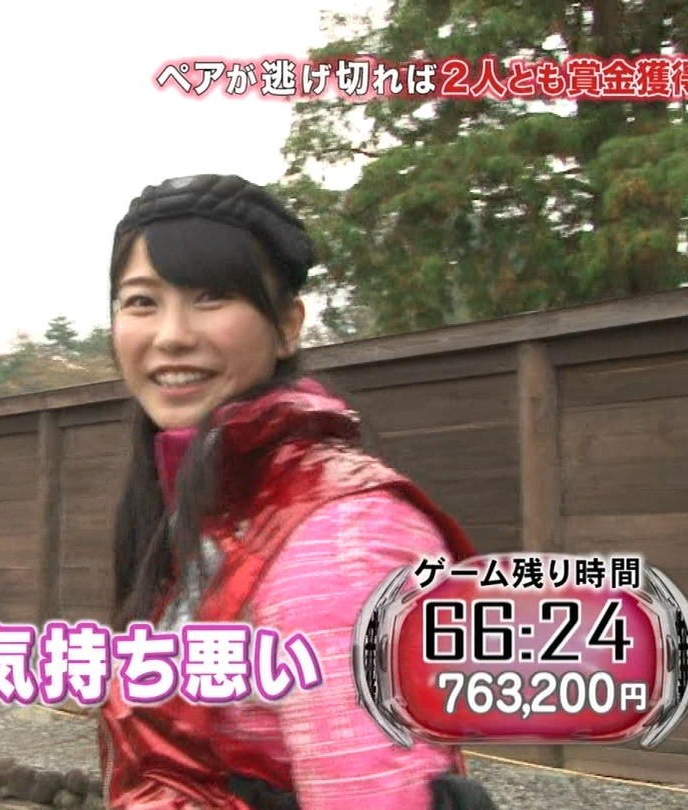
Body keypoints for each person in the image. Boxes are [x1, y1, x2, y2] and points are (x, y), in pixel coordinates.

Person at [97, 174, 491, 809]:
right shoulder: (204, 510)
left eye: (213, 296)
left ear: (287, 326)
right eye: (142, 302)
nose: (170, 335)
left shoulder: (345, 539)